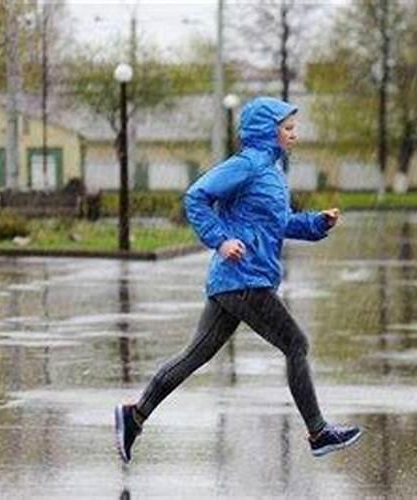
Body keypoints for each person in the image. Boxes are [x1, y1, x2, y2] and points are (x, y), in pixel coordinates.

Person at [114, 96, 362, 463]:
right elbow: (196, 196)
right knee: (296, 343)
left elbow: (279, 223)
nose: (294, 134)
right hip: (242, 277)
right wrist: (220, 239)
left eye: (294, 128)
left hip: (238, 281)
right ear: (268, 131)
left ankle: (134, 416)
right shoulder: (246, 165)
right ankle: (318, 432)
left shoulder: (272, 173)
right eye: (288, 129)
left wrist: (316, 223)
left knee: (194, 356)